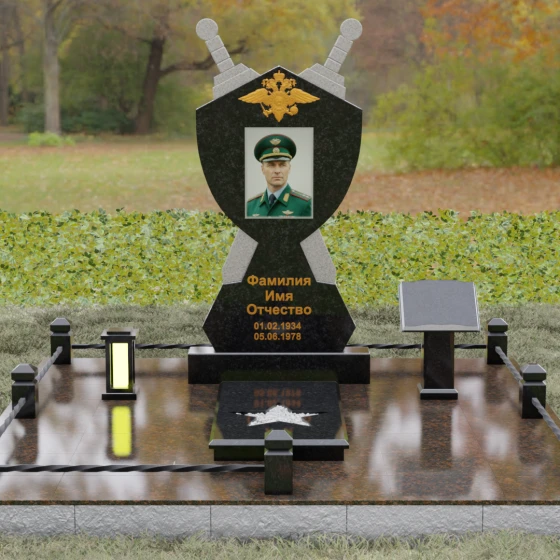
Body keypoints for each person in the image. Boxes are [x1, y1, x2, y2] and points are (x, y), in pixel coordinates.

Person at [246, 134, 312, 217]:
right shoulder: (250, 206)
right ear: (262, 169)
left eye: (282, 165)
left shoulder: (304, 205)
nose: (277, 171)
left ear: (289, 168)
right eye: (271, 165)